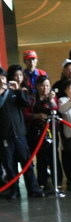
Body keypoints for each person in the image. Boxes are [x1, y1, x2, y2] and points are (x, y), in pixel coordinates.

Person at [0, 67, 45, 199]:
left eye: (3, 78)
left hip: (19, 134)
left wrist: (18, 90)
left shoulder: (13, 92)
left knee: (27, 163)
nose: (1, 81)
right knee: (9, 165)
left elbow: (26, 103)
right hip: (4, 136)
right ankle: (14, 190)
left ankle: (33, 188)